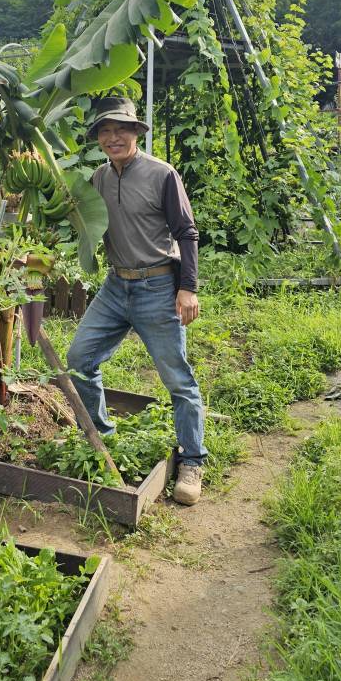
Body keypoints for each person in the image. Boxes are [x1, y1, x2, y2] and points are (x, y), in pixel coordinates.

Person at [67, 96, 207, 506]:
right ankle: (101, 438)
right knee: (79, 359)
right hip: (115, 286)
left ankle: (193, 461)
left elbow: (187, 233)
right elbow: (80, 218)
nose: (112, 138)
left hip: (157, 287)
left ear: (135, 133)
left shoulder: (162, 174)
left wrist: (188, 288)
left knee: (177, 379)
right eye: (105, 132)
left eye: (120, 130)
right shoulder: (98, 177)